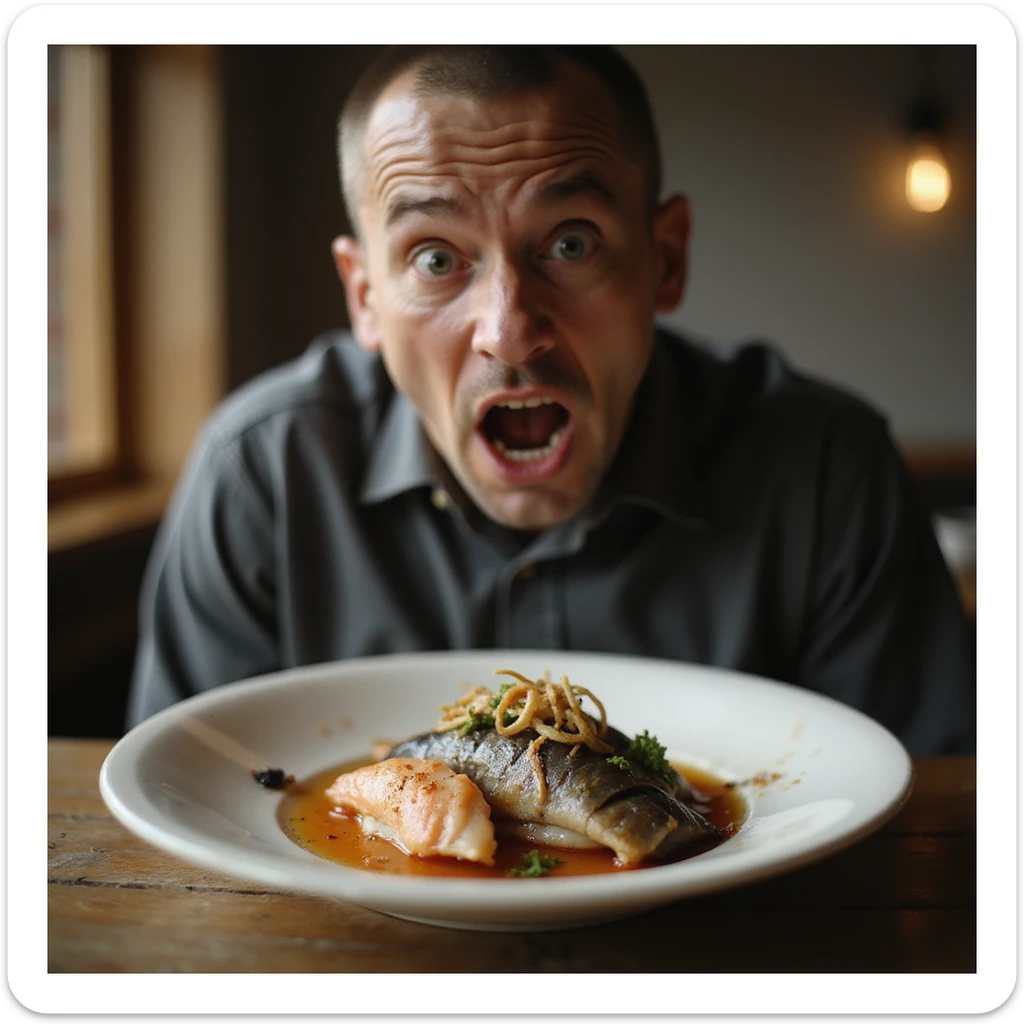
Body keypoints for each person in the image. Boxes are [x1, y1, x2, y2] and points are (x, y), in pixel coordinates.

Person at [126, 44, 974, 754]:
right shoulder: (260, 476)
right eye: (433, 259)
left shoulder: (827, 469)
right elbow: (197, 811)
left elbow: (928, 838)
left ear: (665, 258)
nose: (509, 330)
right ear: (364, 296)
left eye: (569, 243)